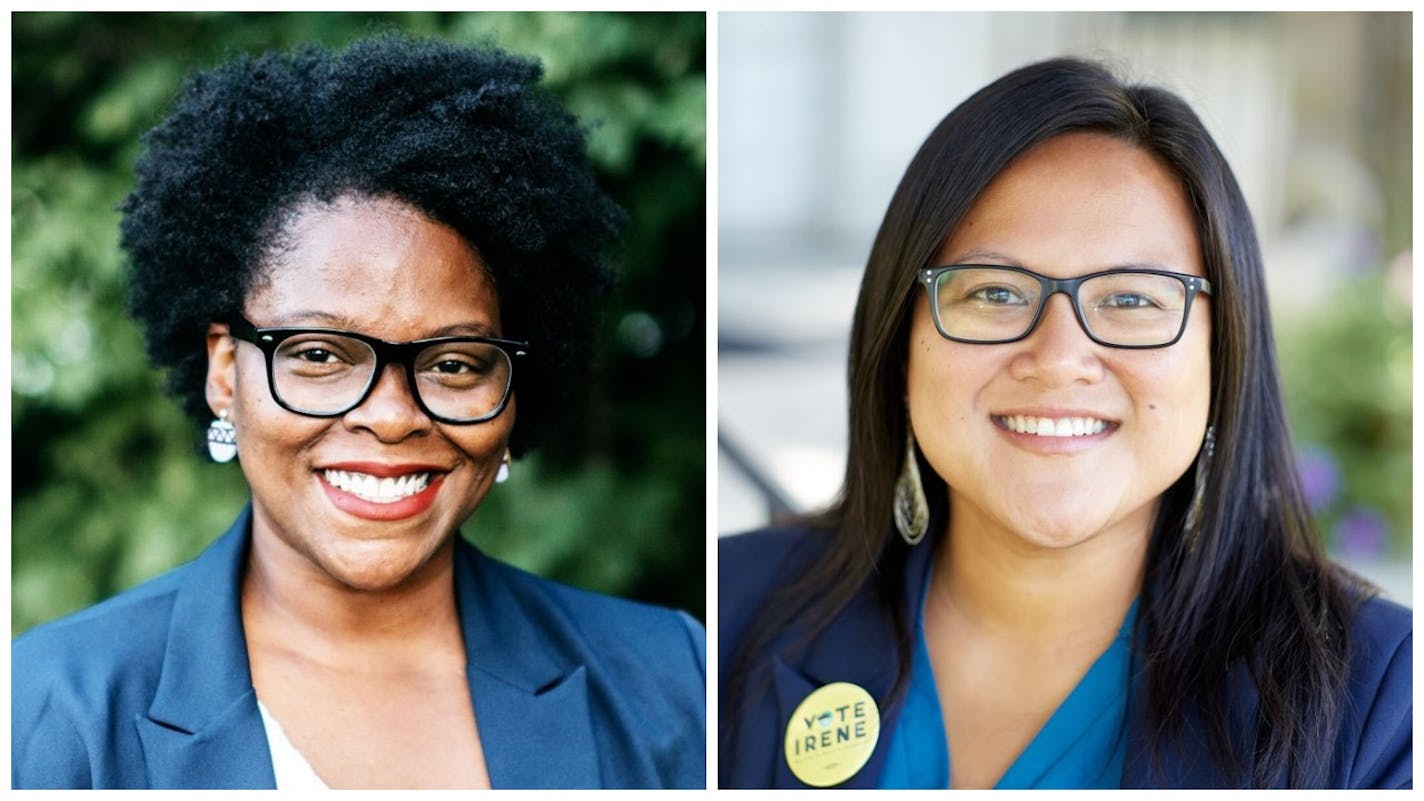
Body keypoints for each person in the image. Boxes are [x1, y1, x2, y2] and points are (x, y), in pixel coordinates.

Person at [12, 34, 705, 790]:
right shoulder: (47, 709)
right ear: (223, 370)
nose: (392, 416)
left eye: (452, 364)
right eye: (318, 354)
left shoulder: (676, 680)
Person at [719, 57, 1410, 790]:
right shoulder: (726, 611)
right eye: (993, 291)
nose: (1058, 358)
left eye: (1133, 300)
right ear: (900, 342)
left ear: (1223, 352)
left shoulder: (1381, 699)